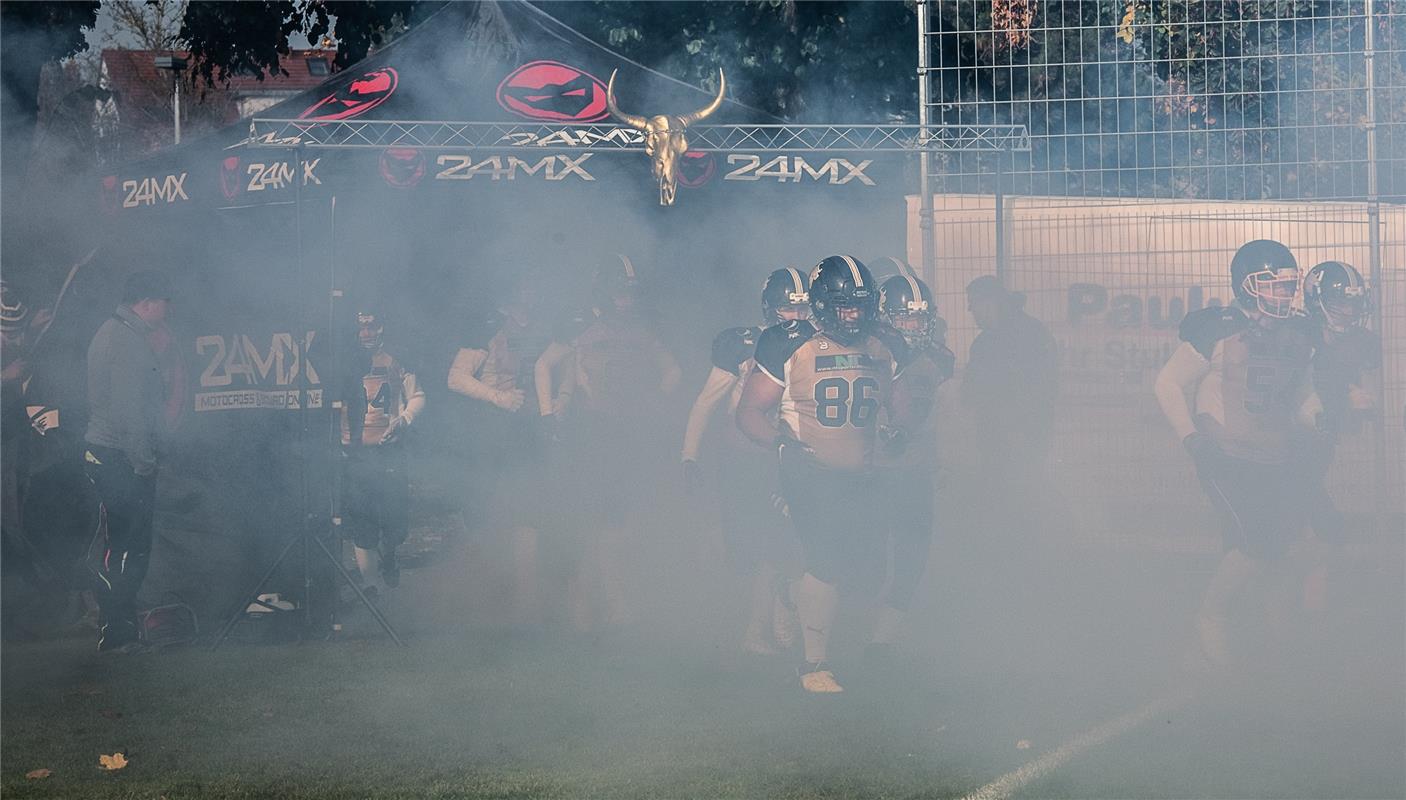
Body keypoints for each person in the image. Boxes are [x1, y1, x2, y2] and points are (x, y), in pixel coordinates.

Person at [736, 255, 913, 694]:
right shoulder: (787, 343)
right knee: (827, 560)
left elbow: (901, 402)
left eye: (859, 305)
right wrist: (780, 444)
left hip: (864, 473)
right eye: (843, 306)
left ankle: (792, 594)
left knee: (867, 573)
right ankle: (813, 665)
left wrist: (901, 431)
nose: (853, 315)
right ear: (820, 305)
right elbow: (749, 412)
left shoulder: (883, 345)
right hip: (809, 469)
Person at [1153, 239, 1319, 668]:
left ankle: (1267, 631)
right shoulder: (1219, 328)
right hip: (1226, 456)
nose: (1284, 293)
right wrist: (1191, 439)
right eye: (1275, 285)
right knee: (1255, 543)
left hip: (1274, 457)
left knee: (1278, 545)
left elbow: (1298, 394)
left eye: (1288, 285)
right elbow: (1167, 384)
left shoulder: (1296, 331)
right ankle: (1210, 618)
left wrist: (1319, 419)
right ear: (1248, 285)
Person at [535, 255, 680, 631]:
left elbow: (672, 370)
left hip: (630, 436)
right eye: (619, 293)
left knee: (622, 521)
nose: (626, 301)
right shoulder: (580, 327)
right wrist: (548, 413)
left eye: (630, 294)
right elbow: (543, 365)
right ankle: (584, 602)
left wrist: (655, 399)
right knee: (589, 522)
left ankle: (613, 602)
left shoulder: (641, 331)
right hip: (590, 435)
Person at [681, 266, 809, 655]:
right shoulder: (745, 345)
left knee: (781, 543)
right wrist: (688, 455)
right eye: (790, 309)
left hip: (787, 457)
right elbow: (706, 402)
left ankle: (768, 626)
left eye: (803, 309)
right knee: (745, 549)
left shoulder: (817, 343)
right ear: (771, 309)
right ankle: (763, 616)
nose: (798, 317)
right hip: (743, 459)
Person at [447, 268, 554, 623]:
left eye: (533, 285)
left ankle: (527, 598)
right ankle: (478, 593)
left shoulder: (543, 329)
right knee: (482, 508)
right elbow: (456, 378)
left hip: (527, 433)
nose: (531, 292)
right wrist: (497, 397)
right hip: (489, 433)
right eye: (525, 285)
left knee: (527, 509)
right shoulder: (485, 328)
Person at [82, 271, 172, 652]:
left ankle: (121, 630)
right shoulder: (125, 342)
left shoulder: (116, 333)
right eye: (165, 304)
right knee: (124, 548)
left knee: (126, 546)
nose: (168, 312)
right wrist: (143, 461)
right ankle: (116, 633)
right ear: (147, 302)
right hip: (119, 457)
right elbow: (128, 412)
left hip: (114, 454)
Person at [871, 270, 954, 653]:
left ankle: (882, 639)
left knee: (912, 558)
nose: (913, 326)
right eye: (904, 317)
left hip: (914, 473)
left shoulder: (935, 360)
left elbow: (939, 416)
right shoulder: (868, 353)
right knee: (861, 561)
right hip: (870, 473)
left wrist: (944, 460)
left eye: (919, 318)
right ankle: (795, 597)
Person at [338, 306, 425, 596]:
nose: (366, 333)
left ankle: (390, 555)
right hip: (356, 452)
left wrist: (404, 419)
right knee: (361, 518)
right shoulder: (342, 362)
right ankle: (370, 585)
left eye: (372, 326)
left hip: (390, 450)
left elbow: (418, 396)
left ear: (382, 327)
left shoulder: (397, 359)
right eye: (361, 326)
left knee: (394, 519)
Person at [960, 275, 1058, 502]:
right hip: (1000, 438)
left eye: (973, 304)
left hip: (1022, 436)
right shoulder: (985, 342)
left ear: (990, 302)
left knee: (1020, 494)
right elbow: (971, 390)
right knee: (1004, 496)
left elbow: (1042, 387)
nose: (970, 310)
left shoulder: (1029, 335)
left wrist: (1015, 426)